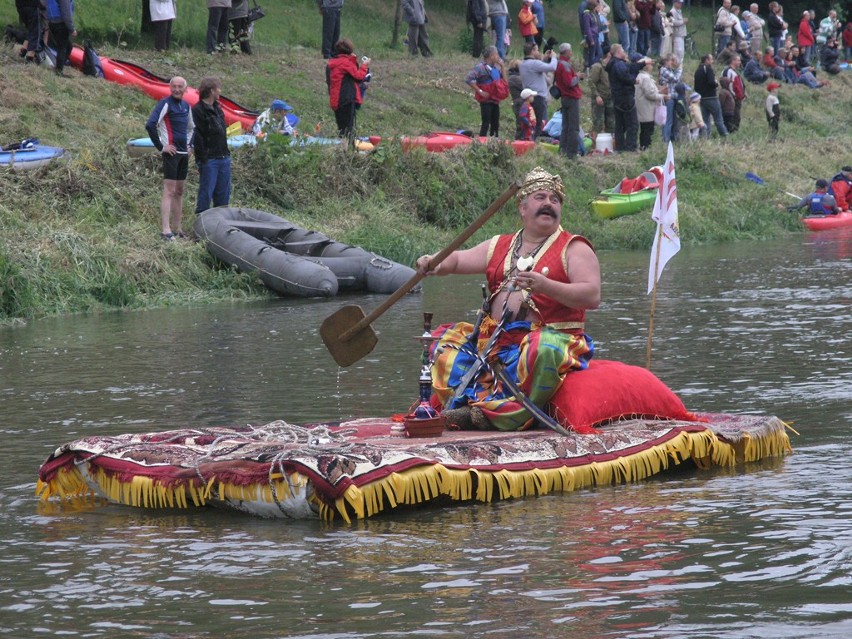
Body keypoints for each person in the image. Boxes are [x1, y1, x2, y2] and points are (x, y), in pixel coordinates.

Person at [414, 167, 600, 432]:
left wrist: (545, 285)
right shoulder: (499, 245)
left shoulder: (575, 248)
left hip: (553, 339)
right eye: (540, 197)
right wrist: (434, 261)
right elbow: (456, 259)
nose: (548, 203)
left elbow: (592, 296)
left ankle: (506, 416)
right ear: (522, 208)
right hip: (494, 343)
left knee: (542, 348)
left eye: (555, 199)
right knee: (442, 344)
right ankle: (470, 408)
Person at [145, 76, 194, 240]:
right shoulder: (165, 103)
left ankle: (178, 228)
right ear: (170, 88)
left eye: (180, 86)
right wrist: (161, 147)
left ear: (186, 89)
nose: (177, 89)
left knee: (179, 191)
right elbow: (150, 124)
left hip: (183, 154)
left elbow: (192, 128)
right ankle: (166, 230)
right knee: (169, 190)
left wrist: (190, 146)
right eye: (174, 86)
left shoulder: (187, 106)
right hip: (170, 154)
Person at [192, 77, 231, 216]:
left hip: (223, 156)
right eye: (218, 88)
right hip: (209, 159)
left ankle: (222, 221)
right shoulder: (198, 110)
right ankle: (201, 219)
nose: (220, 91)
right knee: (206, 191)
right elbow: (198, 136)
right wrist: (203, 158)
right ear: (211, 91)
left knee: (224, 193)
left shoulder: (217, 107)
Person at [325, 39, 371, 139]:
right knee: (349, 130)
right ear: (349, 50)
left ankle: (343, 149)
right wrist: (364, 65)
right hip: (347, 100)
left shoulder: (331, 64)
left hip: (335, 100)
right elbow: (359, 76)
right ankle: (348, 151)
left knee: (342, 129)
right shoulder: (346, 63)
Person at [607, 45, 643, 151]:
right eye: (622, 50)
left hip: (617, 98)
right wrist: (633, 81)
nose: (624, 52)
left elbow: (630, 68)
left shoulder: (613, 64)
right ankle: (630, 148)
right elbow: (624, 76)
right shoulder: (619, 64)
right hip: (625, 97)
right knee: (632, 124)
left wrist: (642, 64)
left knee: (619, 125)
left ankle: (620, 147)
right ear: (618, 52)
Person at [519, 42, 557, 140]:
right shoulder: (534, 64)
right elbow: (552, 67)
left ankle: (530, 139)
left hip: (529, 97)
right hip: (539, 97)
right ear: (532, 51)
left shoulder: (523, 64)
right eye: (537, 50)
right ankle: (536, 141)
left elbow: (538, 67)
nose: (538, 52)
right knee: (540, 123)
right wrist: (554, 57)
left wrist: (544, 58)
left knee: (532, 121)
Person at [466, 45, 507, 137]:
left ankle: (494, 141)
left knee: (495, 124)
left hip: (495, 100)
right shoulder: (480, 67)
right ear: (491, 56)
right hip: (486, 101)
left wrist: (503, 67)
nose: (498, 57)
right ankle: (481, 141)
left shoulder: (495, 69)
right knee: (486, 123)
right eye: (496, 54)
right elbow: (469, 79)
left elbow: (504, 82)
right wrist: (480, 91)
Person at [553, 42, 585, 158]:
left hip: (564, 98)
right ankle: (571, 153)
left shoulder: (558, 63)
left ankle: (563, 150)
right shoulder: (565, 65)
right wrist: (578, 77)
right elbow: (569, 82)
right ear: (566, 52)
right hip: (571, 98)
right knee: (573, 127)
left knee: (565, 126)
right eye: (570, 50)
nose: (571, 52)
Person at [693, 53, 728, 138]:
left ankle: (705, 138)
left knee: (705, 120)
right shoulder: (708, 69)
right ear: (707, 60)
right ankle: (725, 136)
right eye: (711, 59)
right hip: (711, 97)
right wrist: (716, 83)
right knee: (718, 119)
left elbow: (696, 86)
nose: (712, 61)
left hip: (702, 98)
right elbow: (711, 82)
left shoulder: (698, 70)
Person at [635, 56, 666, 150]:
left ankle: (643, 146)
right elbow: (650, 94)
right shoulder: (646, 78)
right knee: (648, 129)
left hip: (643, 106)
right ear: (646, 66)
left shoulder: (640, 76)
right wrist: (662, 96)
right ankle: (646, 147)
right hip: (647, 107)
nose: (652, 67)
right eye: (650, 65)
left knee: (644, 128)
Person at [588, 48, 615, 138]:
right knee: (598, 122)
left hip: (610, 97)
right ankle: (596, 144)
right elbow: (591, 82)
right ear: (609, 55)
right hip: (599, 98)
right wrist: (597, 96)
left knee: (611, 122)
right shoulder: (597, 67)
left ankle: (611, 142)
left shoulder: (612, 66)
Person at [46, 0, 75, 76]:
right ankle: (59, 71)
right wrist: (72, 29)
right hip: (61, 24)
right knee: (62, 48)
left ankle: (58, 65)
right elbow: (66, 14)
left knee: (69, 46)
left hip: (52, 23)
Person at [721, 52, 745, 132]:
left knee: (737, 116)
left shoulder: (735, 72)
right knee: (734, 116)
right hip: (732, 98)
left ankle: (734, 131)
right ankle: (731, 131)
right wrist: (732, 95)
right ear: (733, 61)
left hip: (737, 97)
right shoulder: (728, 71)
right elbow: (726, 83)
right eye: (738, 60)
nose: (740, 62)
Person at [581, 0, 602, 69]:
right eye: (596, 6)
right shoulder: (587, 15)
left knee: (599, 54)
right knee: (591, 55)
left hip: (596, 36)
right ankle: (589, 67)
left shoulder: (593, 14)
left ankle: (591, 66)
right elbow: (587, 28)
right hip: (591, 36)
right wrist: (591, 39)